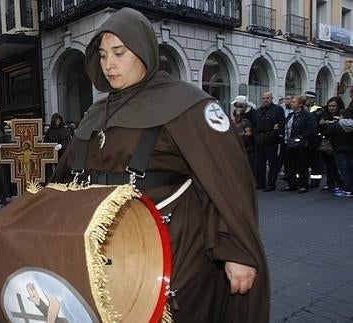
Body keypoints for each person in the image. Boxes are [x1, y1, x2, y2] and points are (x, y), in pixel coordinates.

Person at [50, 8, 269, 322]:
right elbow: (64, 179)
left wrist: (237, 251)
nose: (109, 64)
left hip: (171, 248)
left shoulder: (190, 105)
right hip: (103, 248)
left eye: (119, 53)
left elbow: (228, 182)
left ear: (143, 50)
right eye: (102, 55)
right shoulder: (96, 113)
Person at [282, 96, 317, 193]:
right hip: (289, 143)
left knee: (301, 165)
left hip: (301, 145)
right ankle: (291, 184)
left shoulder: (307, 115)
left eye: (294, 102)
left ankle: (303, 185)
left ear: (300, 104)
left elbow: (312, 128)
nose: (291, 103)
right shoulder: (291, 115)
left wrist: (301, 137)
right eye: (291, 102)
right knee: (289, 165)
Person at [254, 91, 285, 191]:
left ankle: (271, 184)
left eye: (267, 98)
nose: (265, 100)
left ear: (271, 99)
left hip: (271, 141)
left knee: (272, 164)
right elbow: (255, 125)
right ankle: (261, 183)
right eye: (263, 98)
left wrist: (273, 134)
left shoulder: (277, 110)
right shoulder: (258, 111)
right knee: (260, 164)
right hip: (260, 141)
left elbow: (280, 124)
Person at [324, 108, 353, 197]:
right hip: (351, 149)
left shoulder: (337, 125)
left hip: (340, 149)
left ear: (342, 116)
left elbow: (327, 133)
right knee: (350, 170)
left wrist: (333, 122)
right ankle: (350, 188)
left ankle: (346, 190)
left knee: (343, 170)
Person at [318, 97, 344, 191]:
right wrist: (324, 122)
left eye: (334, 106)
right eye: (330, 106)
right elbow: (319, 125)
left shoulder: (341, 115)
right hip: (327, 143)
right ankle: (330, 183)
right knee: (329, 165)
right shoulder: (326, 115)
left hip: (338, 143)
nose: (331, 108)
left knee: (338, 165)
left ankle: (340, 184)